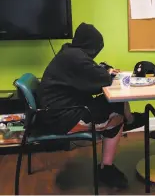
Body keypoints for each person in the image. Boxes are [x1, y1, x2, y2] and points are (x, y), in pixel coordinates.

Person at [37, 22, 146, 189]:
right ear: (91, 45)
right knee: (115, 108)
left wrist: (105, 69)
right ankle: (106, 168)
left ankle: (129, 121)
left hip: (57, 111)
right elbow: (102, 79)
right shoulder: (75, 58)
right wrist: (108, 73)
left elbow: (93, 71)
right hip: (64, 117)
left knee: (113, 103)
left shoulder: (70, 53)